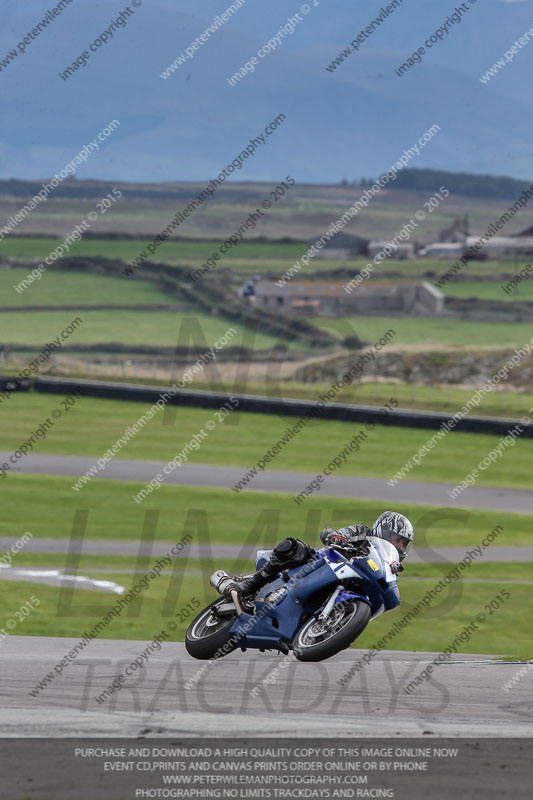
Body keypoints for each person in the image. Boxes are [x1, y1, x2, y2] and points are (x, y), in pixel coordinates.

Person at [235, 511, 414, 599]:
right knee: (295, 547)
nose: (399, 546)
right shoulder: (362, 532)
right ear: (384, 530)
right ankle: (253, 583)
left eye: (403, 543)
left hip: (343, 585)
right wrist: (337, 538)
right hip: (322, 564)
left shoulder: (388, 566)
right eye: (397, 539)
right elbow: (333, 533)